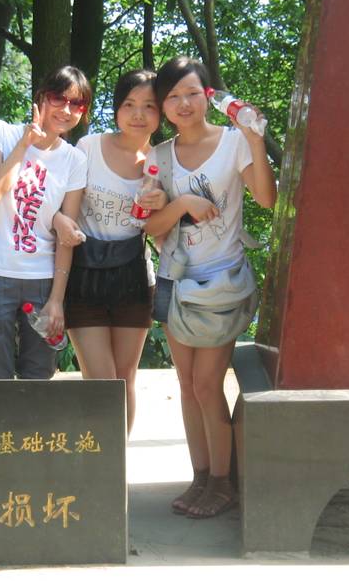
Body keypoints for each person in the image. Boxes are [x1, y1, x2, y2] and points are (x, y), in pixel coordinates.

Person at [143, 56, 276, 518]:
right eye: (173, 96)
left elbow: (266, 198)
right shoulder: (159, 157)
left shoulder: (234, 143)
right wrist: (182, 201)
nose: (183, 103)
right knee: (186, 385)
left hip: (222, 282)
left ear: (207, 96)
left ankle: (223, 482)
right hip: (175, 280)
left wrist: (255, 140)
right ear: (163, 105)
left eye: (192, 93)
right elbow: (150, 226)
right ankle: (201, 477)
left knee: (206, 384)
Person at [53, 69, 167, 433]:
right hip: (84, 274)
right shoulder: (89, 147)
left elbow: (163, 239)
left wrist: (163, 206)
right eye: (129, 104)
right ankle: (98, 459)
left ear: (161, 112)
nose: (138, 114)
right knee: (101, 382)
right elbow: (61, 208)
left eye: (149, 106)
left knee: (124, 379)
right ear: (117, 108)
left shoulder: (163, 162)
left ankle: (118, 462)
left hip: (134, 276)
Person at [0, 66, 90, 380]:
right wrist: (25, 144)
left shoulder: (74, 160)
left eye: (77, 104)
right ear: (41, 97)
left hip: (42, 281)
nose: (66, 110)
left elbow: (67, 236)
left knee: (39, 378)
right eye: (59, 98)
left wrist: (57, 300)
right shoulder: (1, 133)